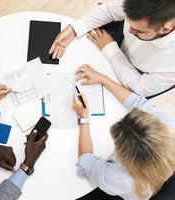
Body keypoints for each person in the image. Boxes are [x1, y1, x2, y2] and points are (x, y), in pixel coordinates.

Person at [71, 64, 175, 199]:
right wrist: (103, 79)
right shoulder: (169, 125)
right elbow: (137, 102)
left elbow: (86, 162)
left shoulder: (121, 179)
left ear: (122, 154)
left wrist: (83, 116)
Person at [50, 0, 175, 97]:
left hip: (133, 75)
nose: (129, 30)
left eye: (137, 30)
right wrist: (74, 29)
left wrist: (111, 49)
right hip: (114, 42)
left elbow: (140, 87)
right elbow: (110, 11)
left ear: (165, 29)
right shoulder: (142, 6)